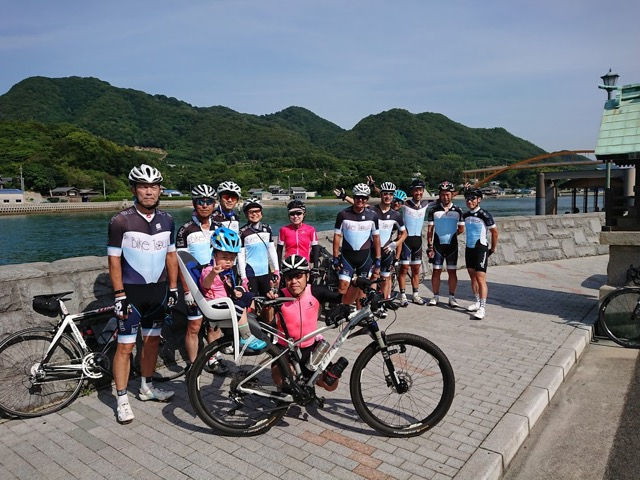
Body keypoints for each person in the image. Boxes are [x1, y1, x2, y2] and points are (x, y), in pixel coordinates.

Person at [107, 164, 177, 424]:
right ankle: (122, 399)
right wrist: (119, 294)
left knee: (151, 343)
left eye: (153, 187)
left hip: (158, 292)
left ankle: (146, 388)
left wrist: (173, 288)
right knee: (125, 347)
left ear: (160, 190)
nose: (149, 192)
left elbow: (171, 256)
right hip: (131, 294)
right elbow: (114, 260)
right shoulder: (120, 221)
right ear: (134, 189)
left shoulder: (168, 220)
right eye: (143, 187)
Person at [272, 255, 369, 391]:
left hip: (311, 348)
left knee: (331, 385)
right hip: (286, 349)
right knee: (284, 376)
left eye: (298, 276)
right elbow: (266, 319)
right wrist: (268, 305)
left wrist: (355, 285)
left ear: (307, 276)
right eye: (289, 277)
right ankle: (287, 389)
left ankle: (309, 378)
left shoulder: (315, 291)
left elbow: (346, 300)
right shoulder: (279, 296)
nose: (294, 281)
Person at [176, 184, 225, 374]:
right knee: (194, 326)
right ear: (194, 203)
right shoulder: (185, 230)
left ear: (214, 204)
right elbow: (180, 261)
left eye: (208, 201)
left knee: (214, 325)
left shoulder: (219, 227)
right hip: (195, 284)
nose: (204, 205)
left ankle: (213, 358)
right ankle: (193, 365)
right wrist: (187, 290)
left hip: (215, 285)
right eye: (200, 201)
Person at [200, 226, 267, 351]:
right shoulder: (209, 270)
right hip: (215, 304)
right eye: (224, 258)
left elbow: (225, 287)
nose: (228, 262)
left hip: (225, 301)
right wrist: (213, 273)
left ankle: (245, 324)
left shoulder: (226, 272)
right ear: (214, 254)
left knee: (247, 296)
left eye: (232, 259)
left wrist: (234, 291)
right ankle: (245, 336)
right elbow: (206, 285)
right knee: (239, 305)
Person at [332, 183, 381, 306]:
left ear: (367, 199)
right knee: (343, 286)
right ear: (353, 197)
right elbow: (337, 236)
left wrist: (378, 258)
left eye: (364, 198)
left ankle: (359, 313)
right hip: (347, 257)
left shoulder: (372, 216)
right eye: (358, 197)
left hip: (365, 257)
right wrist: (335, 257)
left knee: (362, 288)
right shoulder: (343, 214)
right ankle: (341, 311)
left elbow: (376, 237)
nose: (360, 200)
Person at [426, 181, 464, 307]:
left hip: (452, 245)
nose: (445, 197)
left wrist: (451, 235)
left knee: (452, 272)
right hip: (437, 246)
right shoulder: (433, 210)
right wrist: (430, 246)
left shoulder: (458, 210)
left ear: (452, 195)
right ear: (439, 195)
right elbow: (430, 230)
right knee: (436, 271)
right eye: (442, 194)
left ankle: (452, 297)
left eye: (447, 194)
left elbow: (461, 229)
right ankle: (435, 296)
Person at [462, 188, 499, 320]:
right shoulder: (465, 215)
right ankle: (477, 302)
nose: (469, 201)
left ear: (479, 200)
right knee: (472, 277)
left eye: (472, 198)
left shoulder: (485, 214)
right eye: (467, 199)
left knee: (480, 278)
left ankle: (482, 308)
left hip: (480, 248)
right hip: (469, 248)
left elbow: (495, 232)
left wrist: (492, 248)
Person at [398, 178, 433, 306]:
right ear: (412, 191)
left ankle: (415, 295)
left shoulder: (425, 203)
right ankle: (402, 296)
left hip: (417, 241)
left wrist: (462, 190)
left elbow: (446, 198)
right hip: (406, 241)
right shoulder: (405, 204)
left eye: (420, 190)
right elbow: (387, 198)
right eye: (416, 190)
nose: (418, 193)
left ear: (423, 191)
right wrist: (374, 186)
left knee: (416, 270)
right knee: (403, 269)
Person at [238, 197, 280, 297]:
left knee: (269, 299)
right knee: (252, 300)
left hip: (266, 271)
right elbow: (241, 256)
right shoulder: (242, 232)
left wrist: (277, 270)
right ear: (246, 214)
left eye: (257, 211)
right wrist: (243, 277)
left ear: (261, 212)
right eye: (251, 212)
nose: (254, 214)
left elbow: (271, 250)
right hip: (250, 273)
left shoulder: (267, 228)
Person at [373, 182, 407, 298]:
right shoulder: (373, 210)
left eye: (391, 194)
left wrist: (395, 247)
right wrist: (344, 197)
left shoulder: (396, 215)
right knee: (373, 276)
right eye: (385, 194)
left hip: (387, 249)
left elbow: (403, 235)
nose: (388, 197)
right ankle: (371, 301)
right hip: (373, 249)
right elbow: (359, 204)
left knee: (386, 277)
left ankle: (385, 300)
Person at [277, 199, 320, 269]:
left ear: (304, 214)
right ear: (289, 215)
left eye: (298, 213)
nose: (295, 216)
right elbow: (279, 251)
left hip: (304, 266)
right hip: (289, 266)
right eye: (292, 214)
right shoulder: (283, 230)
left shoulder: (311, 229)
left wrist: (316, 267)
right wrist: (278, 268)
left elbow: (315, 249)